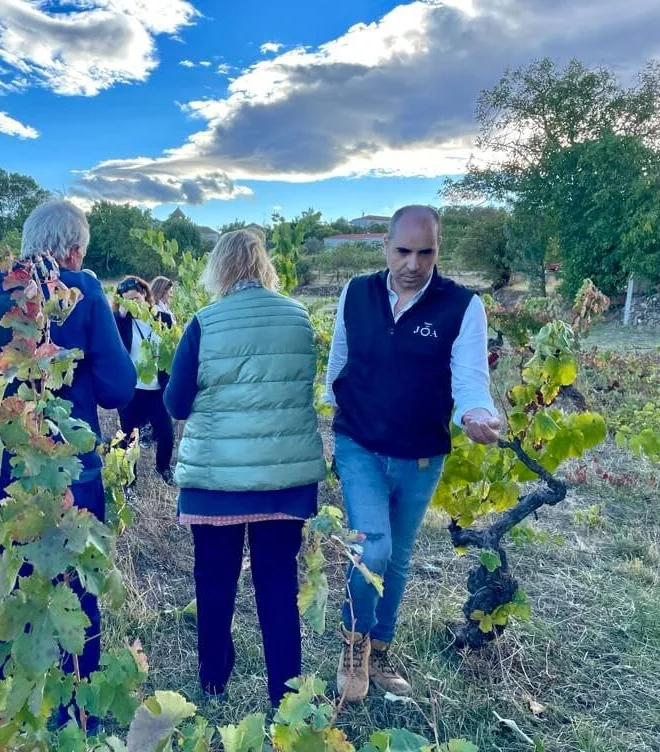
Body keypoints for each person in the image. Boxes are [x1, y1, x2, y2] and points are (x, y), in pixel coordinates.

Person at [324, 204, 502, 703]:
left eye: (426, 252)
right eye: (403, 250)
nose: (413, 263)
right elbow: (339, 359)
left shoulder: (462, 307)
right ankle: (352, 643)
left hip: (422, 455)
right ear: (385, 246)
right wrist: (329, 405)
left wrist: (474, 416)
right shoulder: (355, 294)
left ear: (438, 250)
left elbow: (470, 381)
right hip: (358, 443)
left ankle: (379, 651)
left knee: (398, 558)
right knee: (372, 549)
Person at [0, 201, 137, 711]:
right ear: (73, 249)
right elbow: (119, 387)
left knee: (8, 591)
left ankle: (5, 713)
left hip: (4, 472)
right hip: (71, 473)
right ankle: (75, 716)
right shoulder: (82, 288)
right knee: (76, 595)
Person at [164, 229, 326, 709]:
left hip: (217, 483)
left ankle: (214, 681)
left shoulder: (204, 322)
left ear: (219, 268)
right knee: (278, 586)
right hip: (286, 483)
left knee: (214, 582)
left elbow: (175, 403)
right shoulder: (298, 317)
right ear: (264, 265)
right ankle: (286, 697)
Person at [112, 275, 175, 485]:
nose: (133, 303)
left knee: (166, 432)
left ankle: (163, 468)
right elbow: (113, 349)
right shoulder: (120, 323)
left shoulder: (162, 319)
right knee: (129, 435)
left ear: (145, 296)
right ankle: (129, 480)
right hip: (132, 389)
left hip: (157, 388)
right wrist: (120, 318)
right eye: (128, 299)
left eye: (136, 298)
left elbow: (172, 348)